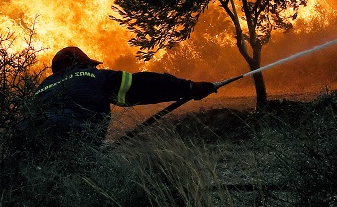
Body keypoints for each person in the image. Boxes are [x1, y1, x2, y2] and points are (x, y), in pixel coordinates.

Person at [26, 45, 218, 145]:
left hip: (27, 141)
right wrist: (190, 88)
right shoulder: (94, 76)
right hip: (72, 141)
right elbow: (142, 86)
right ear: (80, 64)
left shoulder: (42, 87)